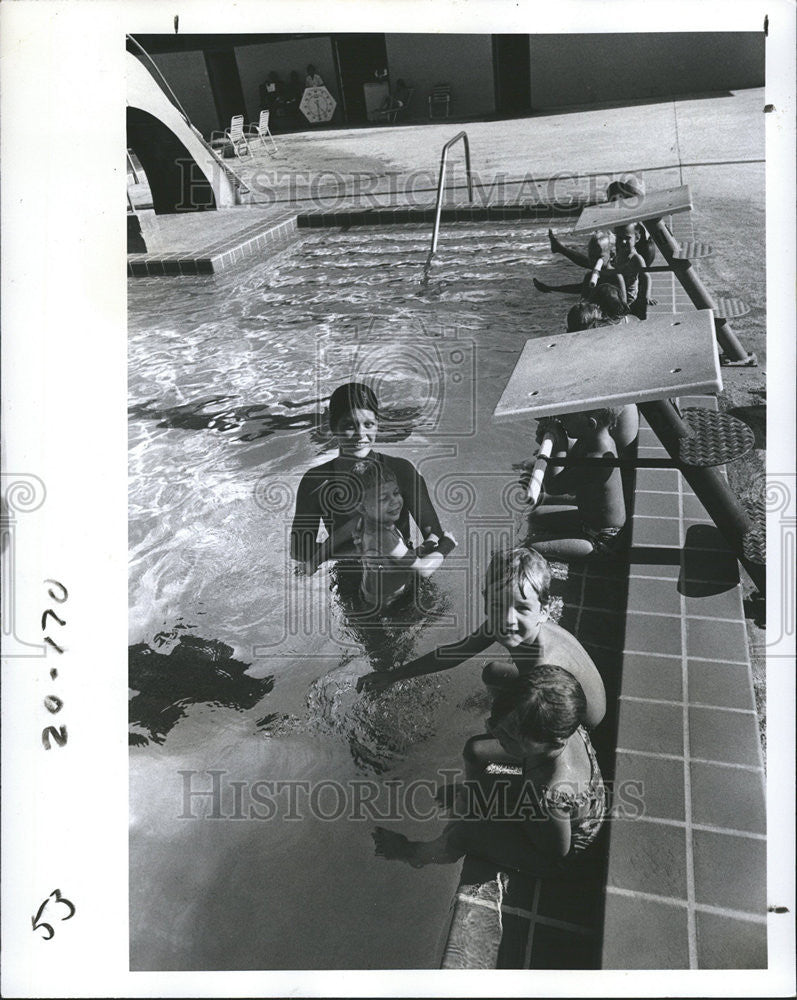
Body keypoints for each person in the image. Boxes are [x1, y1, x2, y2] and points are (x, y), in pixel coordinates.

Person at [371, 667, 606, 874]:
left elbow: (556, 851)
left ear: (552, 743)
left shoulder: (550, 791)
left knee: (466, 831)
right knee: (477, 750)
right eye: (496, 725)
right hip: (547, 801)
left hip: (559, 852)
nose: (497, 736)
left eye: (510, 737)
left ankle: (415, 853)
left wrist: (504, 810)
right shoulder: (561, 722)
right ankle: (474, 796)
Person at [357, 546, 606, 730]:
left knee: (478, 751)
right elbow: (456, 652)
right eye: (499, 605)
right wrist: (393, 675)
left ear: (544, 610)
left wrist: (499, 728)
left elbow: (547, 740)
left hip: (577, 726)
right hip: (549, 696)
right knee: (493, 673)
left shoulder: (543, 664)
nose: (508, 619)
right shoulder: (512, 626)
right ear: (486, 602)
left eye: (522, 608)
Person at [290, 382, 444, 574]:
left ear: (377, 424)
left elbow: (435, 534)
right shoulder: (317, 482)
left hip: (404, 573)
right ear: (333, 426)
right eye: (349, 426)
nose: (361, 434)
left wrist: (405, 554)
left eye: (368, 424)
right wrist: (364, 551)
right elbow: (299, 550)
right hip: (349, 580)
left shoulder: (401, 471)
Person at [353, 461, 457, 610]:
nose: (395, 501)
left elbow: (397, 557)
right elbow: (423, 570)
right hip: (387, 606)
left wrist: (427, 545)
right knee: (444, 607)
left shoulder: (371, 524)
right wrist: (445, 547)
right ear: (362, 507)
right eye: (383, 498)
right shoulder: (384, 537)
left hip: (373, 595)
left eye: (396, 493)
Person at [526, 408, 627, 560]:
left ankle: (597, 553)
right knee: (535, 515)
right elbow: (568, 468)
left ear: (590, 423)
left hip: (603, 538)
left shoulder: (598, 458)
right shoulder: (590, 439)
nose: (561, 417)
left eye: (566, 415)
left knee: (532, 547)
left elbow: (553, 486)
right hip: (586, 520)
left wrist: (559, 445)